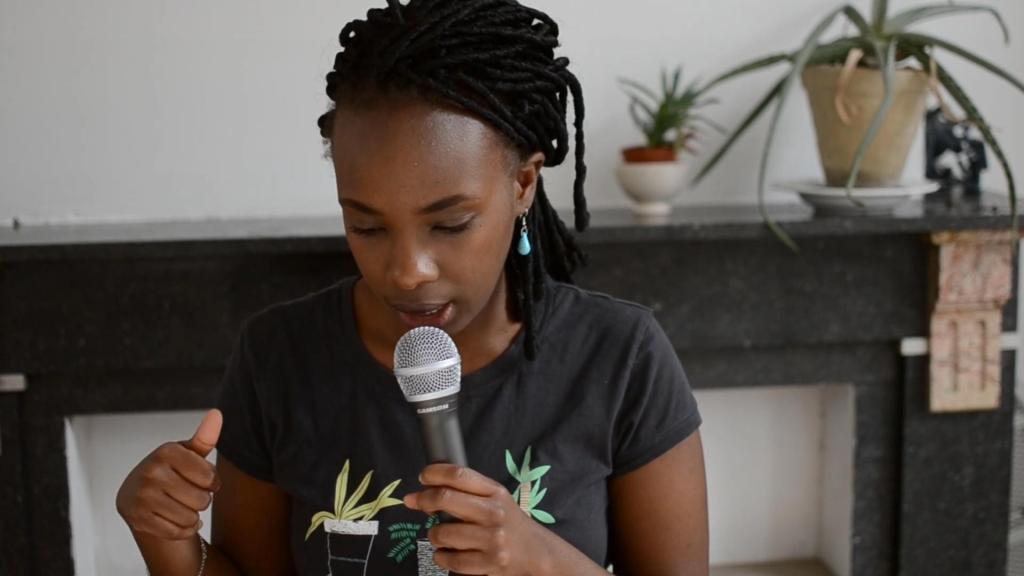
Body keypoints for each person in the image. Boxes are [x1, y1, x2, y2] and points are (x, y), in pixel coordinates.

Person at [116, 1, 708, 574]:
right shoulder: (278, 357)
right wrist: (167, 542)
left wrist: (544, 561)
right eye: (367, 226)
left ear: (524, 183)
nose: (407, 271)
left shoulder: (621, 357)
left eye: (450, 224)